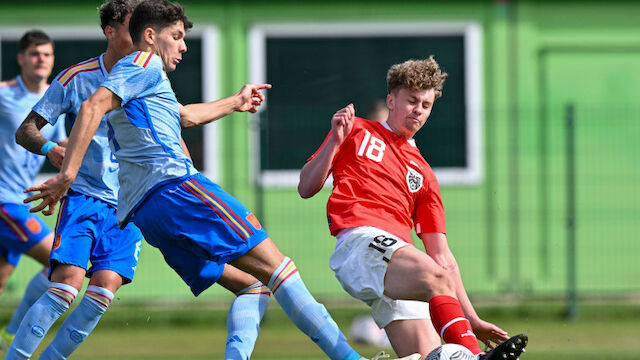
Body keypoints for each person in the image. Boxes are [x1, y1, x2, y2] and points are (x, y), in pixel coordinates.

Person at [20, 1, 417, 360]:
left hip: (145, 211)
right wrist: (66, 174)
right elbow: (91, 107)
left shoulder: (136, 75)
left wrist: (236, 101)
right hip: (175, 189)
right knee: (279, 268)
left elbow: (184, 117)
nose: (184, 46)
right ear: (149, 36)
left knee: (252, 284)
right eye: (177, 37)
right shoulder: (143, 64)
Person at [8, 2, 270, 360]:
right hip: (84, 195)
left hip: (130, 205)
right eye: (131, 28)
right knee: (64, 289)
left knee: (100, 295)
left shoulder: (150, 74)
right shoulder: (76, 78)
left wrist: (235, 103)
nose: (139, 37)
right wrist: (54, 150)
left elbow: (181, 120)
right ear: (110, 32)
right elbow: (27, 131)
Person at [298, 57, 528, 360]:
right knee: (435, 280)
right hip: (361, 243)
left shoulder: (425, 175)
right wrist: (334, 141)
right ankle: (477, 357)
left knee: (430, 355)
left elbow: (443, 257)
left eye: (426, 104)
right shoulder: (355, 130)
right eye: (412, 100)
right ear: (391, 100)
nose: (418, 109)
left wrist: (471, 319)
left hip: (397, 265)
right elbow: (306, 187)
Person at [0, 30, 66, 349]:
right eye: (35, 54)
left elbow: (63, 148)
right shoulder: (3, 94)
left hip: (22, 200)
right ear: (21, 58)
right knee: (61, 260)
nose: (41, 59)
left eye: (47, 54)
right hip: (4, 201)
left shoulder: (53, 101)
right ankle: (13, 335)